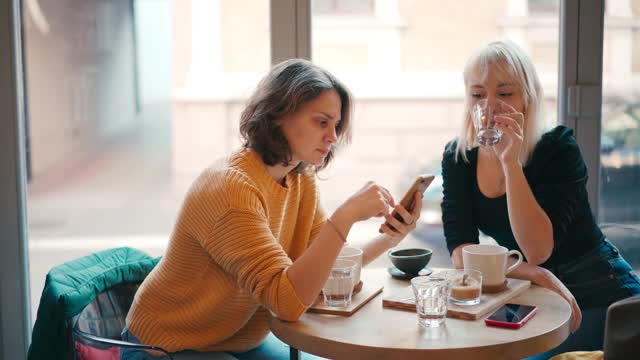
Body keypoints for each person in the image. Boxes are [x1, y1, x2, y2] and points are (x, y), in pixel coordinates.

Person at [123, 59, 423, 359]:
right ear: (278, 115)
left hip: (233, 342)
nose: (333, 137)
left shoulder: (299, 179)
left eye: (336, 125)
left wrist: (390, 237)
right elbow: (288, 302)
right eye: (321, 122)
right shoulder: (231, 189)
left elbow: (324, 274)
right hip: (163, 346)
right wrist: (344, 216)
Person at [440, 40, 640, 358]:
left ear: (527, 100)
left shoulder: (557, 147)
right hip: (535, 293)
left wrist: (510, 163)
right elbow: (462, 252)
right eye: (478, 94)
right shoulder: (458, 157)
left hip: (600, 292)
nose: (490, 105)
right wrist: (534, 274)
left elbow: (536, 249)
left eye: (505, 93)